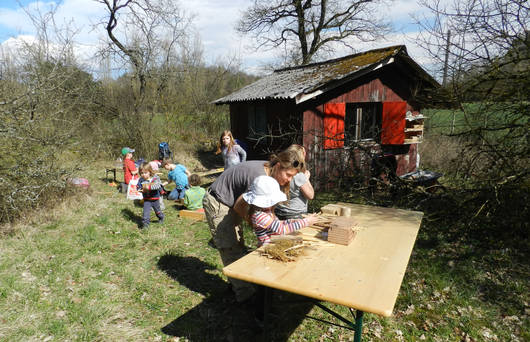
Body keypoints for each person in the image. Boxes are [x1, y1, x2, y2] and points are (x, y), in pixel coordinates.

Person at [202, 148, 304, 303]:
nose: (290, 180)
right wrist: (259, 225)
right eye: (288, 175)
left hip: (234, 200)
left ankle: (240, 283)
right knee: (230, 245)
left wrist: (272, 223)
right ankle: (246, 296)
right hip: (219, 201)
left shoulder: (271, 175)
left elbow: (268, 207)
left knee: (238, 243)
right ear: (277, 166)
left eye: (293, 176)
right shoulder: (258, 177)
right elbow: (239, 206)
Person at [244, 175, 319, 246]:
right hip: (267, 248)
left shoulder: (266, 212)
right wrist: (305, 222)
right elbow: (282, 230)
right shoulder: (260, 216)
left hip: (274, 245)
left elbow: (277, 224)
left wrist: (291, 221)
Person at [274, 144, 315, 220]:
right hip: (295, 214)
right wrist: (306, 179)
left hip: (278, 211)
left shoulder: (281, 170)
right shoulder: (298, 174)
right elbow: (310, 195)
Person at [137, 162, 165, 229]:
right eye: (141, 173)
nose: (143, 175)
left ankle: (161, 217)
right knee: (145, 213)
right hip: (147, 199)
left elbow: (157, 186)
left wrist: (149, 187)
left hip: (155, 199)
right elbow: (138, 186)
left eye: (145, 173)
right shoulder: (141, 179)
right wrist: (139, 189)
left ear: (150, 171)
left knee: (158, 211)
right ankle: (146, 225)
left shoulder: (155, 178)